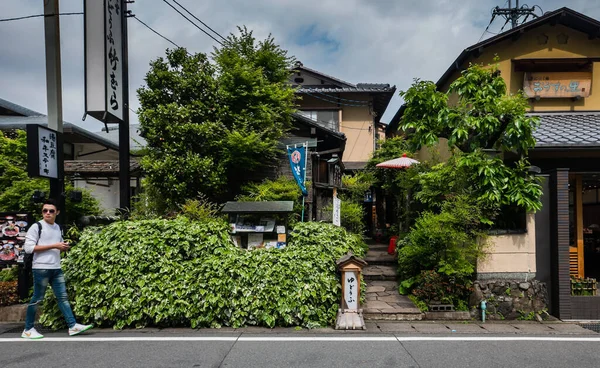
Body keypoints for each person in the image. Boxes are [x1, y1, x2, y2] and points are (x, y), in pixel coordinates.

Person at [21, 199, 93, 339]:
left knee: (63, 298)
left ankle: (72, 326)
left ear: (57, 212)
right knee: (37, 298)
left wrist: (62, 247)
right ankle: (28, 329)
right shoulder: (36, 227)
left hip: (56, 267)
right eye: (45, 211)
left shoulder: (58, 227)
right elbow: (29, 248)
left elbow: (56, 247)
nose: (47, 213)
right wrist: (54, 245)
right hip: (41, 268)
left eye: (51, 211)